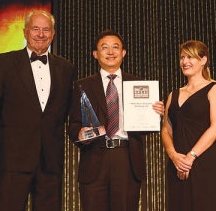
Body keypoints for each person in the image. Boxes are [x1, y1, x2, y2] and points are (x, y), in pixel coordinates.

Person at [68, 29, 164, 211]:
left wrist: (156, 114)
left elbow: (144, 125)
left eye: (115, 47)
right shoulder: (83, 85)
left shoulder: (138, 83)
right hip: (95, 157)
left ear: (123, 52)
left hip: (127, 158)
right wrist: (78, 133)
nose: (110, 52)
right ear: (95, 54)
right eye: (104, 48)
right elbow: (73, 124)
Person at [0, 10, 74, 211]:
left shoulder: (66, 67)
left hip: (50, 161)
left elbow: (65, 111)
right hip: (12, 159)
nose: (41, 34)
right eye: (35, 28)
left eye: (46, 30)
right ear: (25, 32)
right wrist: (6, 142)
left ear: (53, 34)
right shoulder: (4, 63)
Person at [161, 40, 216, 211]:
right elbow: (166, 129)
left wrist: (190, 157)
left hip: (205, 163)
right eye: (182, 57)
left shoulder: (214, 88)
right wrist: (174, 156)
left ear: (203, 60)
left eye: (190, 57)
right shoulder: (173, 94)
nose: (185, 61)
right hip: (177, 165)